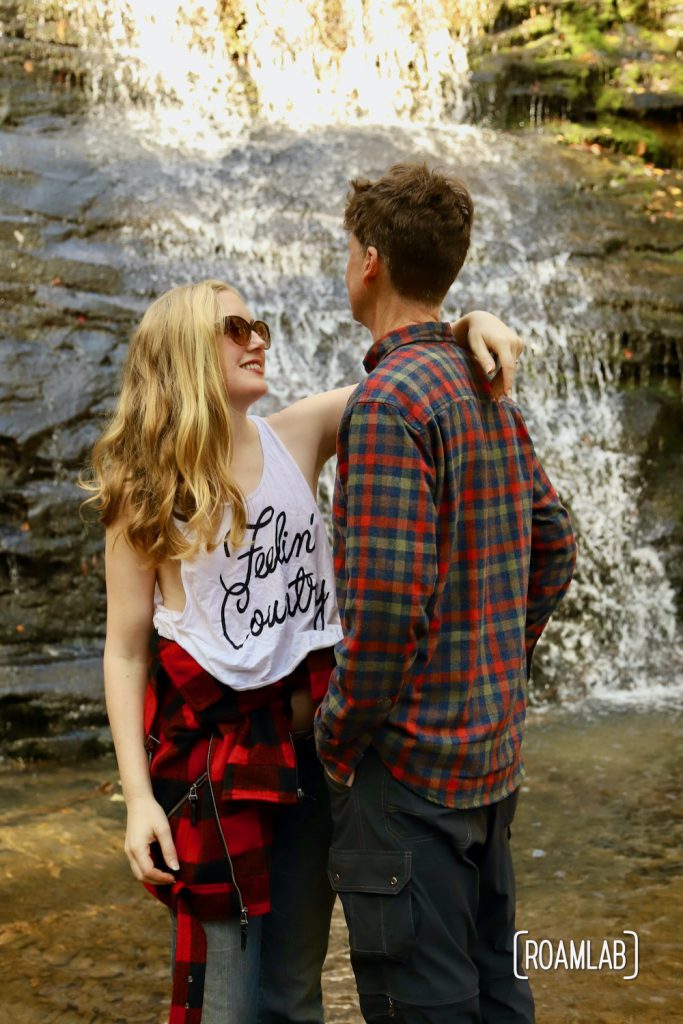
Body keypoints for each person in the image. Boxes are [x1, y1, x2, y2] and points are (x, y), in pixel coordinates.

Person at [81, 277, 524, 1024]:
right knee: (223, 1002)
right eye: (234, 327)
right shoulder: (145, 494)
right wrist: (137, 803)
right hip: (210, 780)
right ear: (184, 350)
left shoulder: (299, 434)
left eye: (259, 324)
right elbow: (124, 654)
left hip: (314, 761)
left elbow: (409, 377)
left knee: (292, 990)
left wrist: (469, 323)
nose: (258, 337)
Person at [315, 163, 577, 1024]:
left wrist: (338, 734)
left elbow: (386, 613)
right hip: (489, 764)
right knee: (499, 996)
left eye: (349, 246)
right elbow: (555, 541)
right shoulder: (483, 382)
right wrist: (495, 657)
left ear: (369, 262)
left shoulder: (389, 403)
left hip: (411, 780)